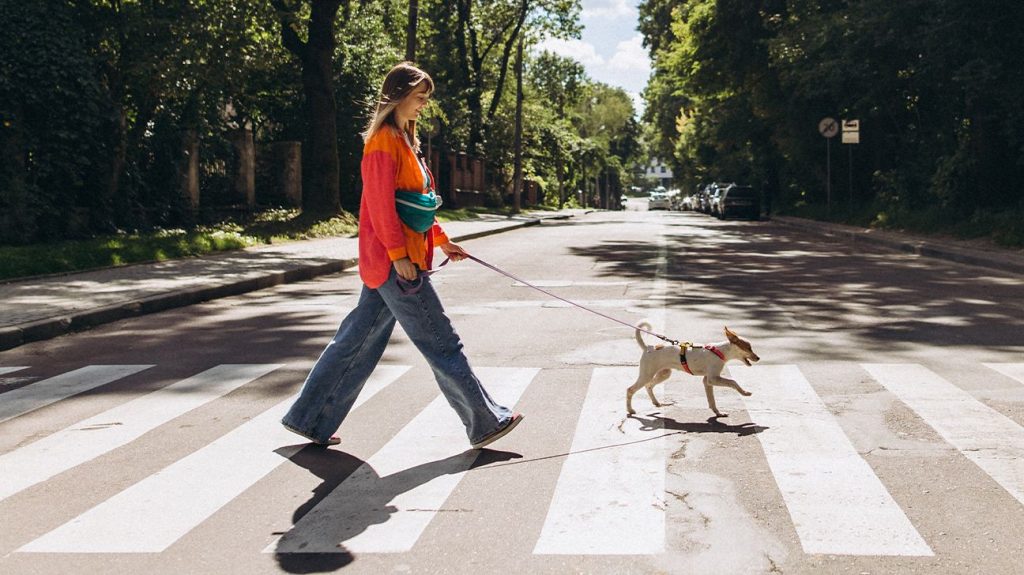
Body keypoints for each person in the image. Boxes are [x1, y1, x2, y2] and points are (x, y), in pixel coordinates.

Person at [281, 62, 523, 450]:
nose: (424, 104)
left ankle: (309, 418)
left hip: (397, 260)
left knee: (356, 342)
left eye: (426, 98)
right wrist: (398, 256)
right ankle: (485, 421)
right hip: (396, 264)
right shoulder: (383, 142)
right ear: (397, 96)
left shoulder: (405, 141)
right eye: (419, 97)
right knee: (442, 342)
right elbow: (380, 207)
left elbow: (415, 204)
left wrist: (442, 240)